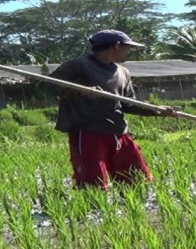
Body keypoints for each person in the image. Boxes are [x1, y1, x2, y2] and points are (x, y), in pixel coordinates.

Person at [45, 29, 177, 190]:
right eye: (127, 48)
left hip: (118, 131)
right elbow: (45, 86)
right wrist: (80, 90)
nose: (128, 53)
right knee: (93, 185)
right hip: (88, 132)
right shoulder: (78, 66)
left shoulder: (123, 72)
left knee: (136, 181)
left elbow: (128, 104)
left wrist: (157, 110)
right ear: (116, 46)